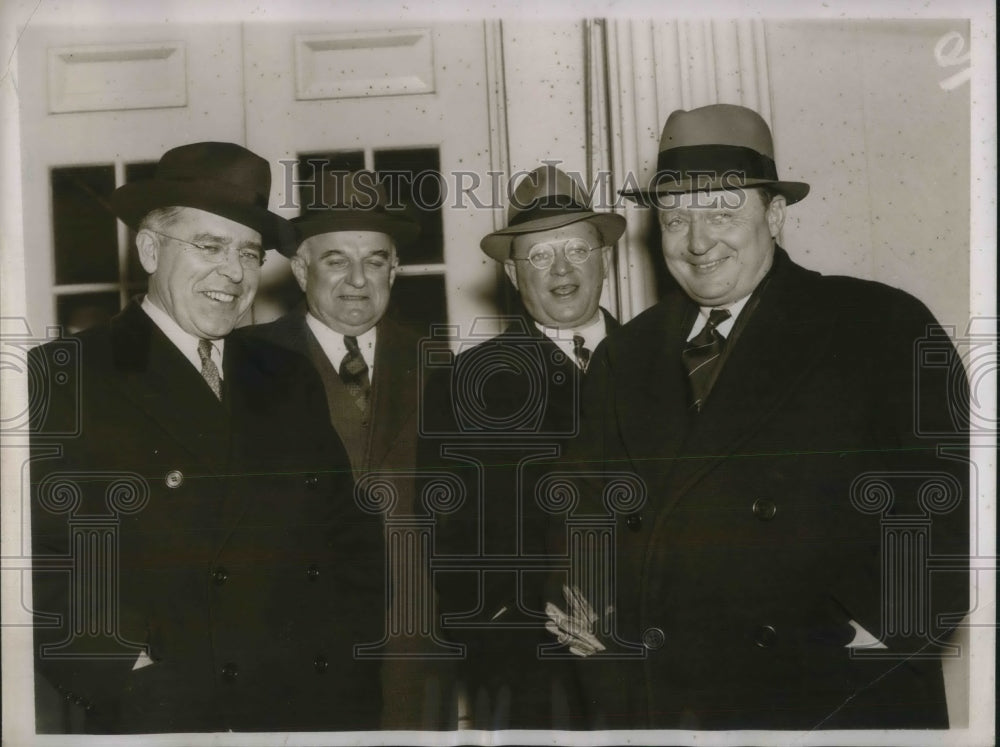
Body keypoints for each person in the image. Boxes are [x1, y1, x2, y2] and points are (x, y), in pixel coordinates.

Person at [546, 104, 970, 730]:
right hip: (662, 704)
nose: (697, 240)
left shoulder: (879, 325)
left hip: (827, 696)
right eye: (676, 217)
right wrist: (602, 648)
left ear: (773, 214)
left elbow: (955, 501)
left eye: (722, 212)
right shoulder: (625, 355)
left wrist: (878, 631)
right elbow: (580, 514)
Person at [29, 142, 383, 733]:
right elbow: (39, 561)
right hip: (168, 711)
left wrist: (347, 661)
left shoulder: (284, 373)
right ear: (148, 248)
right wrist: (126, 672)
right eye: (209, 246)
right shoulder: (66, 373)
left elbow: (347, 536)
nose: (234, 272)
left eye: (249, 252)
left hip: (309, 704)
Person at [420, 164, 626, 729]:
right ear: (513, 273)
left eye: (576, 249)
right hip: (532, 674)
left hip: (659, 658)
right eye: (538, 256)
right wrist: (524, 628)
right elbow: (451, 545)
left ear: (604, 257)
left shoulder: (666, 360)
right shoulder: (466, 384)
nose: (560, 269)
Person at [247, 169, 453, 730]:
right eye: (336, 259)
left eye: (376, 260)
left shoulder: (442, 367)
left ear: (396, 268)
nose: (358, 280)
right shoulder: (247, 363)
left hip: (414, 648)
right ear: (300, 269)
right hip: (293, 650)